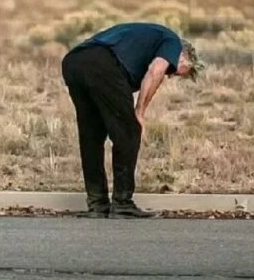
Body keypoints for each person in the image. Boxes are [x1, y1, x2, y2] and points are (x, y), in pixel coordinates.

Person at [60, 22, 204, 219]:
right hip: (102, 64)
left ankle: (97, 204)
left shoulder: (147, 38)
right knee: (129, 132)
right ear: (184, 56)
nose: (170, 75)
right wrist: (140, 113)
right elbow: (155, 71)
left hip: (74, 62)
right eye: (175, 71)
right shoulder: (172, 42)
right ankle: (122, 203)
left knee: (91, 136)